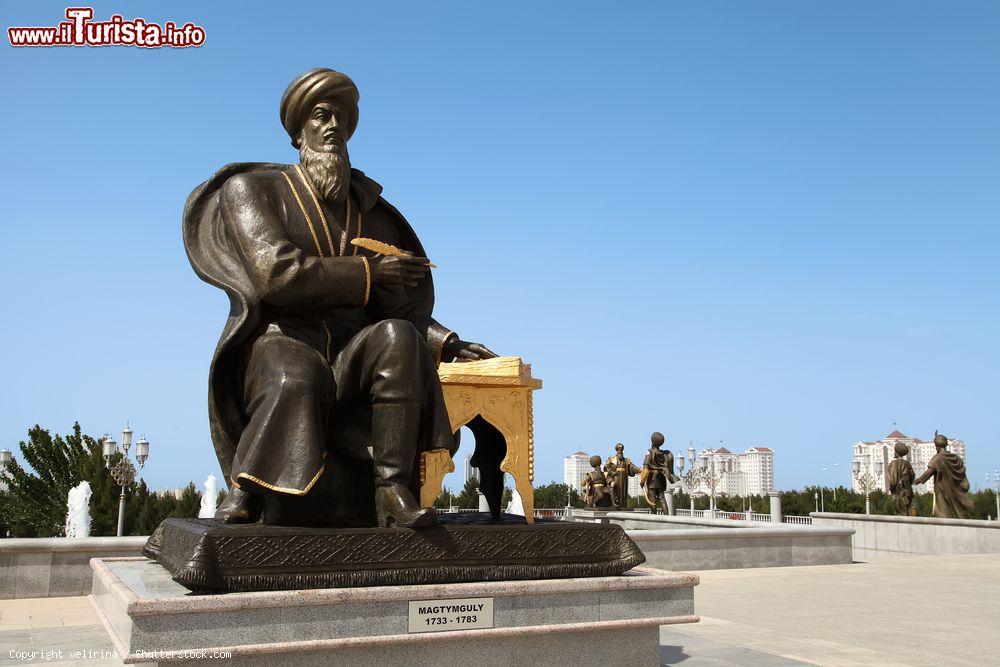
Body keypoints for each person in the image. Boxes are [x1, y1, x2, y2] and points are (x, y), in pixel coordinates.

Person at [183, 69, 496, 528]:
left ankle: (392, 489)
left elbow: (397, 312)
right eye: (320, 116)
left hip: (351, 351)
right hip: (280, 340)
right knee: (298, 376)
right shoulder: (251, 190)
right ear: (298, 132)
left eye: (342, 118)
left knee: (398, 336)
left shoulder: (371, 212)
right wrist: (370, 272)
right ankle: (248, 487)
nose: (332, 126)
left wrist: (448, 344)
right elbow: (276, 274)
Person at [913, 432, 974, 519]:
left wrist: (918, 480)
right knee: (957, 511)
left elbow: (929, 472)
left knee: (944, 512)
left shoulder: (938, 458)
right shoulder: (956, 458)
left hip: (944, 491)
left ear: (936, 446)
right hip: (956, 490)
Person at [640, 432, 679, 514]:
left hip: (652, 480)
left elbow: (646, 469)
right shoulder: (665, 454)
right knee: (662, 498)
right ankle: (666, 515)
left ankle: (654, 516)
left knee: (652, 499)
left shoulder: (649, 452)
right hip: (661, 478)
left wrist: (642, 481)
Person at [604, 443, 640, 509]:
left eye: (621, 450)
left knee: (624, 491)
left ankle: (623, 505)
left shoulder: (626, 460)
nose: (620, 452)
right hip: (616, 478)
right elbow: (606, 470)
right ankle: (616, 505)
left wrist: (639, 469)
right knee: (616, 491)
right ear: (616, 451)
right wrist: (612, 474)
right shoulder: (611, 460)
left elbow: (633, 467)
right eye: (618, 450)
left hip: (624, 478)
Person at [884, 442, 915, 516]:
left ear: (896, 452)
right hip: (907, 490)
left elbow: (893, 480)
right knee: (907, 509)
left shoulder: (894, 463)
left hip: (899, 491)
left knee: (901, 511)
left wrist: (892, 489)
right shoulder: (907, 463)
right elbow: (912, 475)